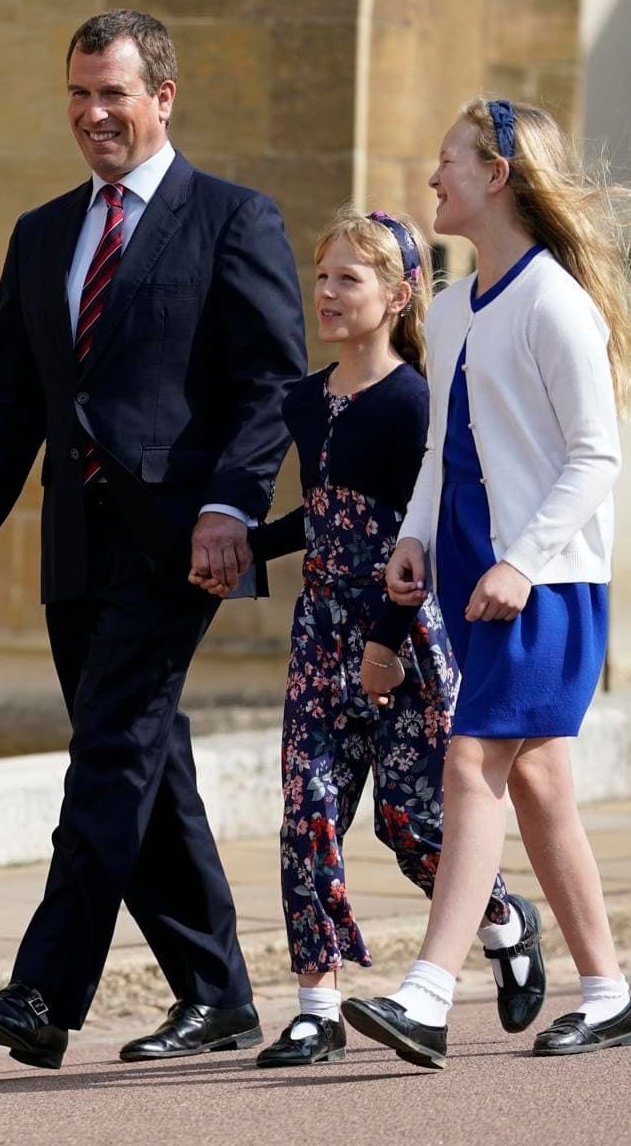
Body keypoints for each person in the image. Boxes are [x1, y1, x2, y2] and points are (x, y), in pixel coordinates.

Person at [0, 10, 307, 1070]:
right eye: (78, 93)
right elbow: (8, 394)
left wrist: (233, 507)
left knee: (107, 753)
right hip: (73, 540)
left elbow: (270, 385)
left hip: (182, 542)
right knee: (147, 760)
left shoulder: (235, 219)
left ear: (162, 100)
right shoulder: (42, 231)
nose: (93, 114)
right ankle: (218, 993)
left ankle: (45, 993)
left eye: (113, 93)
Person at [193, 208, 543, 1067]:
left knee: (412, 825)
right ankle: (317, 1007)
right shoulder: (305, 402)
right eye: (322, 277)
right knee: (305, 811)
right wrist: (242, 541)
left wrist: (385, 644)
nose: (327, 293)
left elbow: (406, 540)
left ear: (396, 295)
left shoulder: (414, 402)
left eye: (348, 279)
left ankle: (502, 920)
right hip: (320, 634)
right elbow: (324, 517)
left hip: (403, 638)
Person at [343, 98, 631, 1067]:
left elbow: (597, 458)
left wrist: (524, 562)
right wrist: (415, 542)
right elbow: (441, 450)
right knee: (544, 787)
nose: (432, 178)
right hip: (477, 576)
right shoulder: (448, 304)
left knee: (473, 767)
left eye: (447, 161)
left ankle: (429, 995)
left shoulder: (557, 302)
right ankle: (608, 994)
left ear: (498, 177)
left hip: (545, 583)